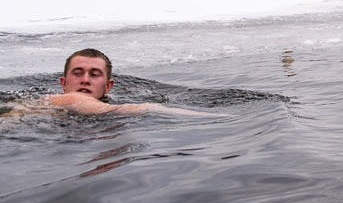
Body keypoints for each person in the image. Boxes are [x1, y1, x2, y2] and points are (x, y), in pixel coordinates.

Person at [45, 48, 221, 117]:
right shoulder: (66, 100)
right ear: (63, 83)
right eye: (77, 73)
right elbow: (135, 110)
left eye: (94, 74)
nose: (85, 80)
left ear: (108, 87)